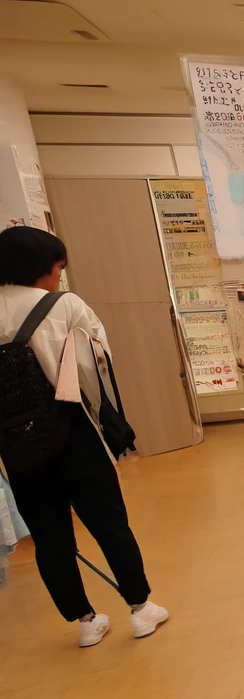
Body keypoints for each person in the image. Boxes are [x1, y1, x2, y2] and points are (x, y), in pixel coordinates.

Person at [0, 226, 167, 647]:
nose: (59, 276)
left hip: (16, 444)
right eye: (58, 267)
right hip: (72, 430)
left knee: (50, 536)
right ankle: (141, 609)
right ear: (42, 267)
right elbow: (97, 367)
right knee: (109, 522)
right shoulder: (65, 305)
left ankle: (85, 622)